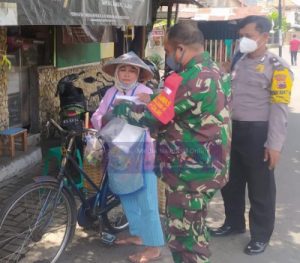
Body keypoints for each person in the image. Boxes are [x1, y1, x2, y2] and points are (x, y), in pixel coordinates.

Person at [111, 21, 231, 263]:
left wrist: (122, 106)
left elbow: (150, 118)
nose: (168, 57)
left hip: (190, 173)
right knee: (195, 230)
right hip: (210, 164)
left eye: (167, 51)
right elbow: (184, 103)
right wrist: (155, 96)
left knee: (185, 240)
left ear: (180, 49)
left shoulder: (186, 79)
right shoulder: (214, 70)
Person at [210, 15, 293, 255]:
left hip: (258, 132)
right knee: (230, 182)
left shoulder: (278, 67)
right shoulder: (238, 60)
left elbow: (279, 108)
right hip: (231, 130)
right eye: (241, 36)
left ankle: (260, 235)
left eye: (248, 36)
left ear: (265, 37)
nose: (243, 41)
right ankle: (233, 223)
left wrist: (274, 144)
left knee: (260, 188)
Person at [91, 51, 164, 263]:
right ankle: (138, 234)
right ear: (116, 72)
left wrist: (150, 102)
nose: (126, 74)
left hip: (143, 153)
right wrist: (107, 116)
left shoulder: (146, 91)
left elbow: (160, 118)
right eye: (122, 69)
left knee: (147, 198)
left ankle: (154, 246)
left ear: (139, 74)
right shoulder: (110, 93)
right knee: (127, 195)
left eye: (132, 70)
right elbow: (97, 116)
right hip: (118, 152)